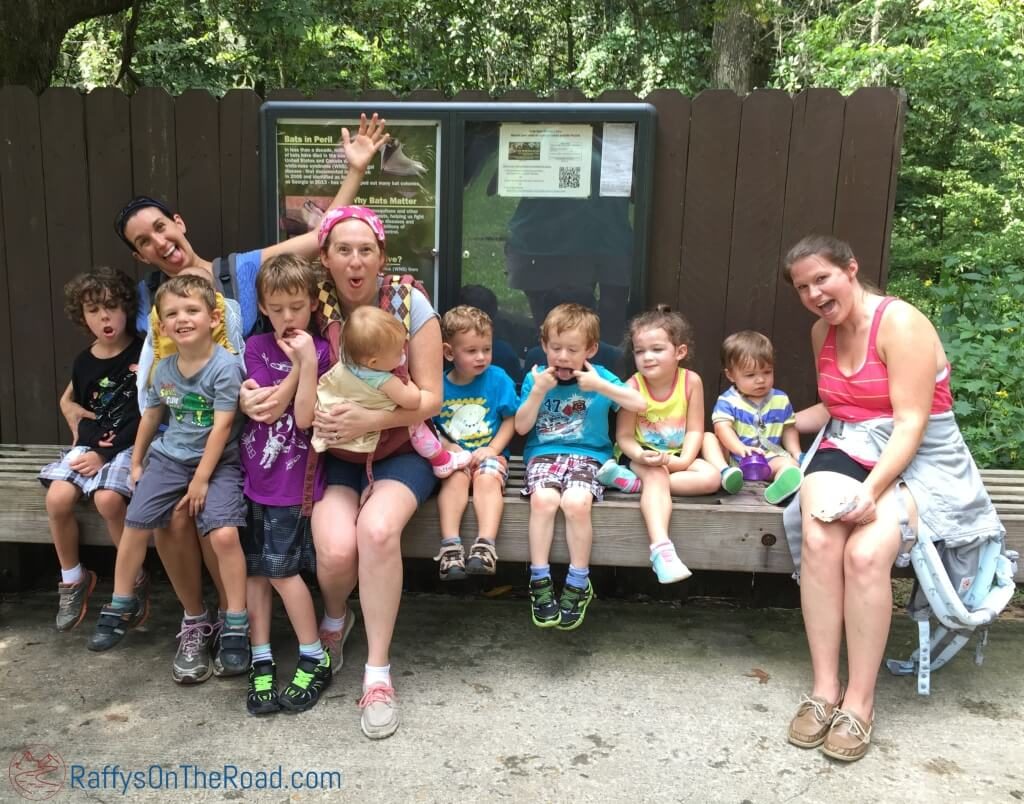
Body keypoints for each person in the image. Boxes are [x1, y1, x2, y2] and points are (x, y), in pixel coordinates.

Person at [59, 114, 388, 682]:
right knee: (170, 515)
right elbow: (134, 375)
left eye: (161, 227)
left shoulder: (239, 271)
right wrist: (85, 418)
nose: (160, 242)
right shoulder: (146, 303)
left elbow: (320, 238)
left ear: (178, 223)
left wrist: (355, 170)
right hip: (185, 433)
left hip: (249, 437)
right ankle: (197, 619)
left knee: (216, 520)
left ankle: (231, 620)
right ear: (139, 256)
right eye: (144, 241)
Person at [781, 234, 1002, 762]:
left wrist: (870, 491)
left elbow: (910, 423)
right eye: (802, 287)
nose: (814, 293)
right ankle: (823, 690)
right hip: (847, 444)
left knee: (865, 553)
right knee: (820, 537)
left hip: (922, 456)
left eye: (822, 278)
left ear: (850, 269)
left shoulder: (900, 323)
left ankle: (860, 701)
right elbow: (838, 407)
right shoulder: (822, 333)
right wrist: (777, 426)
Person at [250, 204, 442, 740]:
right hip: (335, 455)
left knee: (376, 531)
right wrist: (254, 391)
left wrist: (372, 414)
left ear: (381, 256)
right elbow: (280, 356)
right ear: (325, 258)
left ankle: (377, 673)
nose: (355, 260)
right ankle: (336, 620)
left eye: (365, 250)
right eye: (342, 249)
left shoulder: (409, 303)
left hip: (402, 453)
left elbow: (430, 399)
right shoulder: (313, 308)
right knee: (334, 549)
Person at [87, 275, 248, 680]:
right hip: (169, 458)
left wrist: (201, 480)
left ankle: (236, 622)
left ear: (213, 319)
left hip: (218, 462)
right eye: (171, 313)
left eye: (191, 310)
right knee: (138, 522)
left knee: (224, 533)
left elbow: (222, 429)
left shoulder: (225, 367)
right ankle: (121, 602)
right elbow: (153, 415)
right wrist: (137, 462)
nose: (181, 319)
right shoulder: (164, 368)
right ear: (160, 324)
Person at [514, 303, 646, 631]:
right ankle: (540, 580)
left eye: (572, 349)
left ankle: (578, 582)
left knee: (576, 502)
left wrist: (601, 386)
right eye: (555, 347)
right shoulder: (537, 380)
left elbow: (639, 404)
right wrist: (537, 394)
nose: (562, 356)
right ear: (544, 345)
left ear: (590, 350)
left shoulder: (600, 378)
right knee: (543, 500)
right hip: (543, 454)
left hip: (590, 457)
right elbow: (520, 427)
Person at [240, 255, 333, 715]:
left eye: (296, 306)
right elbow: (265, 411)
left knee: (281, 571)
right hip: (255, 479)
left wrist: (305, 364)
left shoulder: (324, 351)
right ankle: (261, 657)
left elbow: (302, 417)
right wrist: (296, 365)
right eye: (277, 309)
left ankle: (314, 655)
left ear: (313, 303)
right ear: (263, 306)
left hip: (294, 486)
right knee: (255, 571)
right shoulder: (255, 346)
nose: (288, 317)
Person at [40, 268, 146, 631]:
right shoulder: (84, 362)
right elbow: (83, 414)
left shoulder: (145, 349)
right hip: (91, 444)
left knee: (108, 501)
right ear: (81, 317)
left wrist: (105, 453)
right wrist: (90, 447)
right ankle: (73, 578)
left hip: (129, 443)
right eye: (93, 310)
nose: (104, 317)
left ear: (126, 307)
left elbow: (144, 413)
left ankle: (131, 581)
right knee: (57, 499)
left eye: (112, 307)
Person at [596, 306, 720, 583]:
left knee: (711, 478)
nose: (647, 357)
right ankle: (661, 550)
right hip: (641, 456)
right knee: (656, 475)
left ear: (680, 352)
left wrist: (685, 460)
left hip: (676, 455)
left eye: (657, 349)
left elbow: (695, 429)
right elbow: (624, 437)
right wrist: (642, 455)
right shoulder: (633, 387)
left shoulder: (691, 382)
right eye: (640, 351)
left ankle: (637, 486)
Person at [310, 305, 470, 479]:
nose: (402, 354)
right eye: (396, 352)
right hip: (374, 439)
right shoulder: (385, 381)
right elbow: (413, 401)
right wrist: (408, 380)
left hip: (341, 443)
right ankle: (441, 460)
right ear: (373, 362)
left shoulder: (347, 361)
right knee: (415, 425)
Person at [432, 305, 518, 580]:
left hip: (488, 456)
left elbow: (510, 419)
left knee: (488, 478)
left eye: (486, 349)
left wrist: (492, 449)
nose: (481, 357)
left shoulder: (498, 379)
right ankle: (450, 547)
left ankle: (485, 546)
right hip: (455, 458)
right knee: (454, 479)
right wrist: (446, 446)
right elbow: (428, 424)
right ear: (448, 352)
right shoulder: (438, 385)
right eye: (471, 351)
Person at [708, 330, 803, 505]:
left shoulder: (780, 399)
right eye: (750, 375)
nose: (760, 380)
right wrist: (739, 448)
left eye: (767, 372)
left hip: (768, 460)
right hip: (736, 461)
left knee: (790, 464)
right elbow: (723, 428)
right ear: (731, 375)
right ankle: (725, 473)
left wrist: (796, 453)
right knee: (708, 439)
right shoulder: (728, 400)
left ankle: (779, 487)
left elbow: (789, 428)